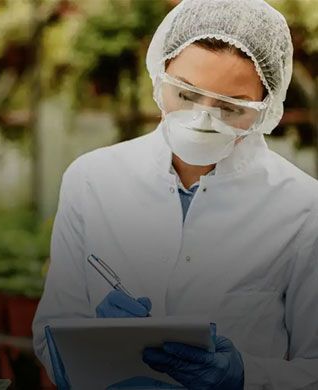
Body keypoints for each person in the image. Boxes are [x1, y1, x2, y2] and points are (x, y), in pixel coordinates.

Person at [32, 0, 318, 388]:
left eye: (230, 107)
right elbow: (49, 330)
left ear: (265, 108)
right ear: (159, 75)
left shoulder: (304, 208)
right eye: (185, 95)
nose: (202, 119)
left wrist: (244, 376)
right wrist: (85, 343)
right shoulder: (92, 180)